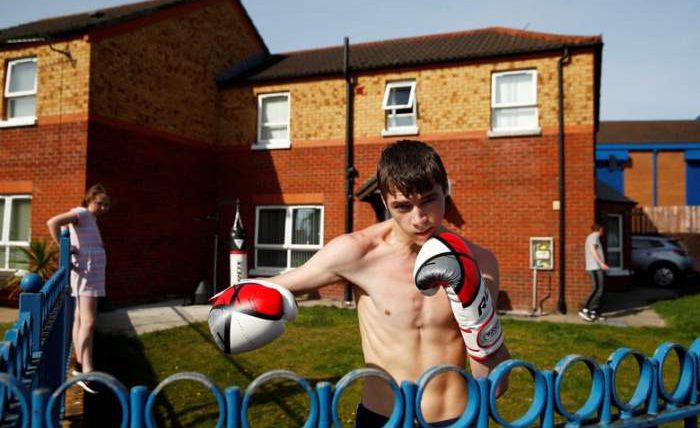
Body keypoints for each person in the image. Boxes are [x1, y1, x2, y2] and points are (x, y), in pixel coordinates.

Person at [258, 140, 510, 426]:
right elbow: (260, 291)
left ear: (445, 190)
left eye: (429, 200)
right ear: (384, 201)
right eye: (402, 206)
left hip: (455, 418)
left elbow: (495, 386)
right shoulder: (358, 253)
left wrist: (473, 302)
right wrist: (234, 314)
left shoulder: (480, 262)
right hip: (381, 417)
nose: (419, 219)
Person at [47, 184, 111, 394]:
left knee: (79, 318)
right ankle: (85, 370)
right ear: (89, 200)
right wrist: (63, 248)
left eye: (106, 205)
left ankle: (82, 366)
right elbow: (53, 222)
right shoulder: (82, 213)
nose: (103, 208)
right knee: (89, 322)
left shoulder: (90, 218)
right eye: (99, 203)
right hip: (87, 275)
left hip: (88, 273)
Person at [579, 223, 609, 322]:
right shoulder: (593, 237)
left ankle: (593, 312)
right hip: (594, 267)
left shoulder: (594, 237)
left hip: (596, 267)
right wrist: (601, 263)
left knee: (599, 290)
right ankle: (584, 309)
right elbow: (593, 251)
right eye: (602, 229)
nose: (603, 231)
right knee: (597, 289)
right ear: (600, 229)